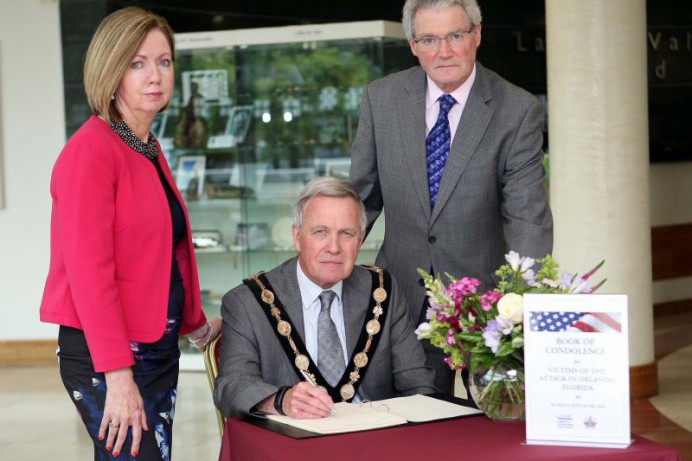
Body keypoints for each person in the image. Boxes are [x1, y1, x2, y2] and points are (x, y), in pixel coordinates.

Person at [39, 7, 221, 460]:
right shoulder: (93, 152)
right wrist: (118, 375)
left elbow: (163, 251)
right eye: (136, 63)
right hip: (110, 355)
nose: (154, 75)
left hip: (156, 345)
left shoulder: (145, 146)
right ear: (110, 71)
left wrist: (192, 322)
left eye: (163, 61)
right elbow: (89, 274)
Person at [349, 0, 553, 394]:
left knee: (495, 431)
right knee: (412, 433)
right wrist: (321, 272)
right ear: (412, 44)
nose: (443, 51)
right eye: (429, 39)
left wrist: (518, 305)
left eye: (455, 36)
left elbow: (527, 218)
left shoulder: (517, 109)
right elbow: (362, 200)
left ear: (477, 36)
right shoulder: (381, 99)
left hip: (487, 309)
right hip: (404, 301)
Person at [214, 177, 436, 418]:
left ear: (360, 240)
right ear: (297, 237)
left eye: (346, 234)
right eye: (320, 232)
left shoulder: (382, 291)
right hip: (292, 444)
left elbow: (418, 383)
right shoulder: (248, 301)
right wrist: (280, 401)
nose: (334, 247)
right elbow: (232, 386)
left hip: (374, 441)